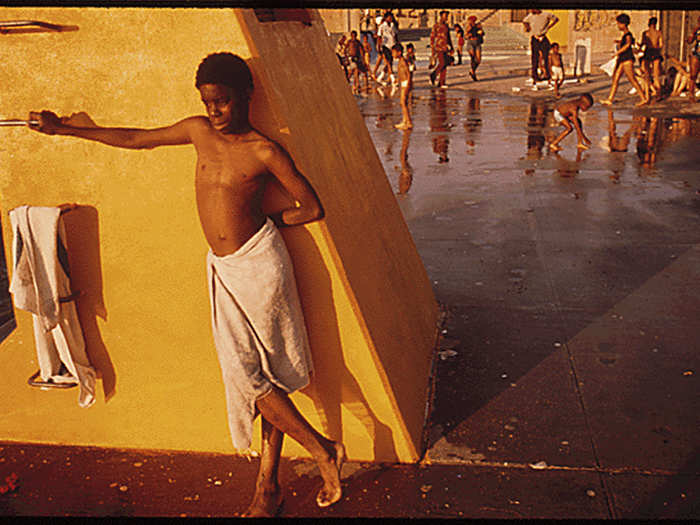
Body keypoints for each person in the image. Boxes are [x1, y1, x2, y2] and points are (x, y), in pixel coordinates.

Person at [27, 52, 345, 518]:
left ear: (245, 97)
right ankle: (292, 473)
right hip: (222, 270)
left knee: (265, 376)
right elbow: (137, 139)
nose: (214, 112)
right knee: (250, 375)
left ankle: (293, 473)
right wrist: (65, 129)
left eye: (223, 102)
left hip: (261, 267)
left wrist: (273, 219)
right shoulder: (198, 131)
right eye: (208, 102)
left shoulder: (265, 151)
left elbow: (311, 207)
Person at [600, 14, 649, 107]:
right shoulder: (625, 35)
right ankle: (610, 99)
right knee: (615, 79)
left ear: (623, 24)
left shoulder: (628, 34)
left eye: (619, 23)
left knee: (632, 79)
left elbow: (628, 44)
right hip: (622, 60)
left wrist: (617, 53)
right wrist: (619, 42)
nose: (618, 26)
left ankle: (643, 98)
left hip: (627, 59)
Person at [522, 9, 559, 86]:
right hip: (535, 38)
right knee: (534, 58)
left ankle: (547, 75)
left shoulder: (546, 14)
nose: (531, 10)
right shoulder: (531, 16)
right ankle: (535, 76)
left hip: (543, 37)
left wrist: (549, 27)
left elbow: (556, 19)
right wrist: (528, 27)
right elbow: (524, 21)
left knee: (546, 57)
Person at [641, 17, 664, 101]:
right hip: (656, 52)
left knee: (646, 73)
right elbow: (661, 45)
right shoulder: (659, 33)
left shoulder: (645, 33)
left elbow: (642, 44)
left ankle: (648, 94)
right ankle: (658, 94)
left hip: (648, 52)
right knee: (656, 75)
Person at [373, 12, 398, 85]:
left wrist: (397, 43)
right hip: (385, 46)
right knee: (388, 62)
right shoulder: (382, 26)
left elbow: (395, 35)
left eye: (391, 17)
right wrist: (379, 46)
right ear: (386, 18)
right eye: (389, 17)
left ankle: (380, 77)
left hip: (392, 45)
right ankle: (393, 79)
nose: (390, 19)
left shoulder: (393, 25)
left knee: (390, 62)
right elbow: (379, 37)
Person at [430, 10, 453, 88]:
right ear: (441, 16)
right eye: (445, 16)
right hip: (438, 47)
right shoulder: (436, 25)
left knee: (445, 65)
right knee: (442, 63)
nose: (446, 17)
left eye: (447, 16)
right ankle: (433, 75)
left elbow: (449, 37)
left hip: (445, 48)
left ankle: (441, 82)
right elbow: (432, 37)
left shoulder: (446, 26)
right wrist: (433, 49)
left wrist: (451, 47)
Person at [392, 43, 413, 130]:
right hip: (403, 82)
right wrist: (397, 79)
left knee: (403, 102)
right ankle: (405, 121)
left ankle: (408, 122)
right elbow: (401, 73)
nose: (393, 54)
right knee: (403, 103)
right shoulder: (400, 61)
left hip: (406, 83)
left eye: (394, 52)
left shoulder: (403, 61)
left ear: (399, 52)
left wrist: (408, 83)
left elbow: (408, 73)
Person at [345, 30, 367, 94]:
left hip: (356, 58)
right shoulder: (349, 42)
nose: (354, 37)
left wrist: (363, 59)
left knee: (354, 71)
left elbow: (361, 51)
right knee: (353, 71)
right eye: (353, 36)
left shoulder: (357, 42)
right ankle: (355, 84)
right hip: (351, 58)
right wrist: (347, 57)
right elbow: (345, 49)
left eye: (355, 36)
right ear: (351, 36)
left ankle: (355, 85)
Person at [465, 15, 485, 81]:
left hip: (477, 43)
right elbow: (465, 36)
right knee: (473, 57)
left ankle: (472, 70)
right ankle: (473, 73)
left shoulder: (478, 26)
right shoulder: (468, 27)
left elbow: (482, 33)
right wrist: (468, 34)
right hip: (471, 42)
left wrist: (480, 31)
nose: (471, 22)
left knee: (478, 60)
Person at [687, 14, 700, 102]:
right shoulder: (697, 30)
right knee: (693, 75)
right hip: (697, 53)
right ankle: (691, 94)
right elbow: (689, 41)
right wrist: (693, 34)